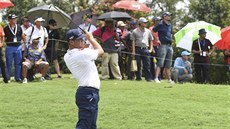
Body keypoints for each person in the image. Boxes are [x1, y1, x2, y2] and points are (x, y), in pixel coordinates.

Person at [64, 29, 104, 129]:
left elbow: (82, 50)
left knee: (91, 125)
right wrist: (91, 39)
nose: (83, 41)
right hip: (88, 93)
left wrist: (85, 44)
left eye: (83, 39)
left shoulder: (67, 55)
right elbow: (101, 51)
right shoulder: (82, 54)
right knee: (84, 125)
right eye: (80, 40)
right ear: (71, 42)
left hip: (86, 92)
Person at [153, 12, 174, 83]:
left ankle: (169, 79)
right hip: (163, 45)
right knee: (160, 62)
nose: (170, 17)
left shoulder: (170, 25)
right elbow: (153, 31)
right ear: (164, 17)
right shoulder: (160, 25)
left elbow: (170, 34)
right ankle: (156, 78)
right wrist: (157, 39)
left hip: (169, 46)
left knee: (168, 64)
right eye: (168, 16)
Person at [4, 14, 26, 82]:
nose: (15, 20)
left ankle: (17, 78)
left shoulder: (19, 27)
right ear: (9, 20)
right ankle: (8, 78)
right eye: (13, 19)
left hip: (18, 47)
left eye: (15, 18)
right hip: (9, 47)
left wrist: (25, 42)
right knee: (9, 63)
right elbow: (4, 38)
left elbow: (22, 36)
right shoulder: (6, 28)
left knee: (18, 63)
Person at [131, 17, 153, 81]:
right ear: (140, 23)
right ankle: (138, 77)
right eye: (144, 22)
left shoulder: (148, 31)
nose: (145, 23)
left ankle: (148, 78)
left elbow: (151, 40)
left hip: (145, 49)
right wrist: (133, 51)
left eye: (146, 22)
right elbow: (133, 42)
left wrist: (151, 49)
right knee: (138, 64)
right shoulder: (135, 31)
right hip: (138, 48)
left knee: (147, 64)